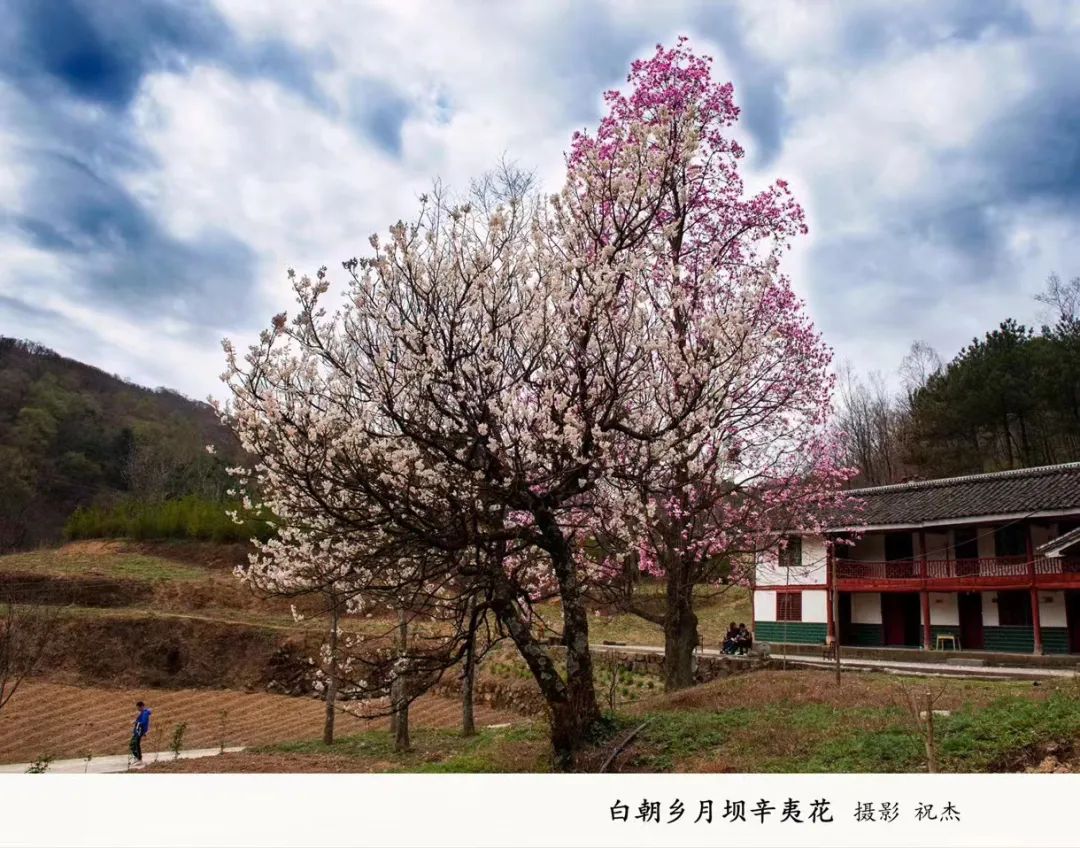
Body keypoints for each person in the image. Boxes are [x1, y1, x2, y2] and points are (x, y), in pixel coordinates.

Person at [130, 701, 151, 765]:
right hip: (138, 731)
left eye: (138, 708)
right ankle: (138, 758)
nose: (137, 709)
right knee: (133, 744)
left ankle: (139, 759)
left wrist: (135, 722)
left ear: (141, 706)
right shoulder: (142, 713)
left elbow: (144, 722)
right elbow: (140, 721)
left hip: (140, 731)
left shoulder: (145, 713)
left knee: (135, 744)